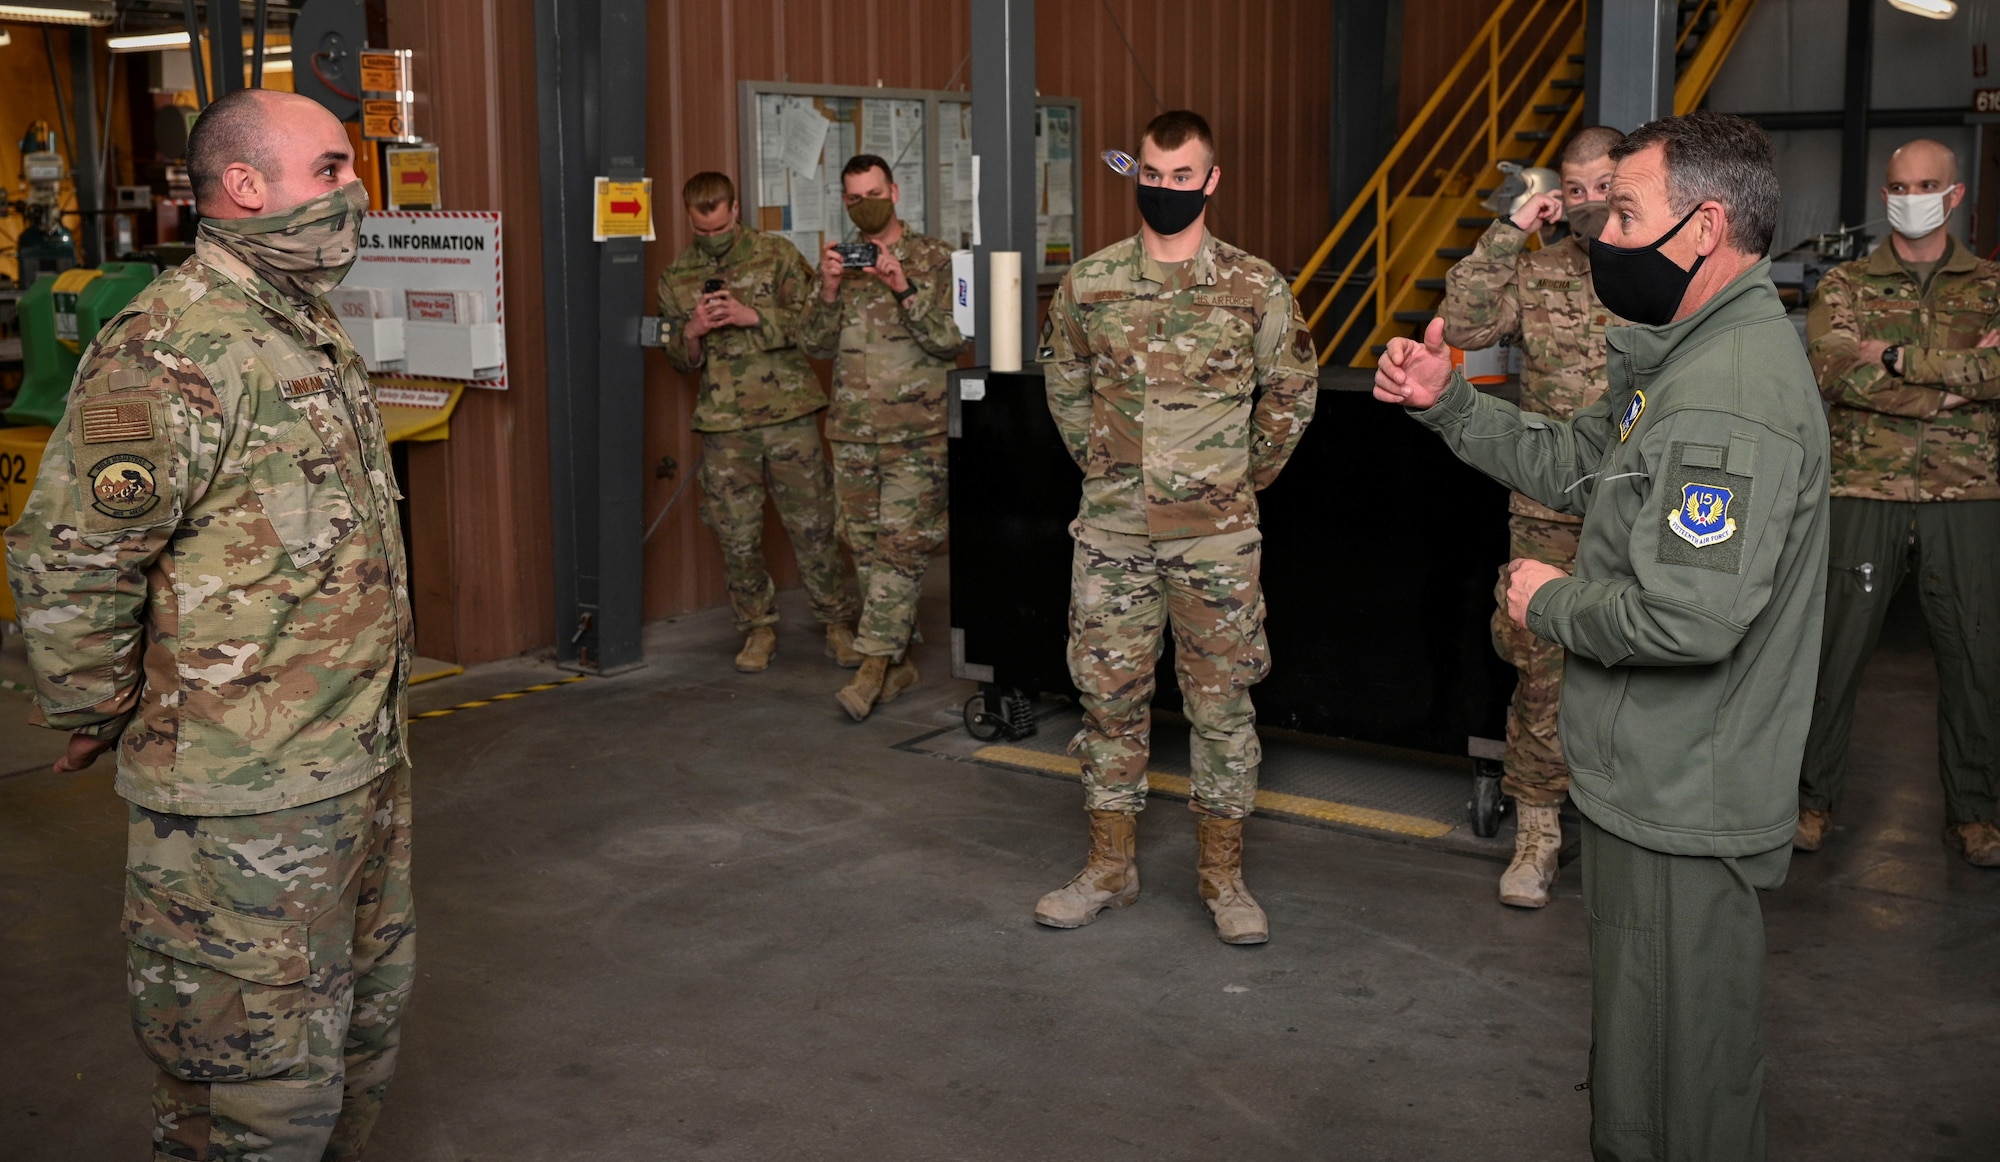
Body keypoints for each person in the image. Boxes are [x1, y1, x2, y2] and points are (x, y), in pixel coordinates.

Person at [1375, 111, 1826, 1158]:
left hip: (1683, 792)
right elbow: (1585, 463)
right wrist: (1450, 406)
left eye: (1623, 212)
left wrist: (1548, 601)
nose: (1600, 235)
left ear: (1703, 226)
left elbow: (1686, 614)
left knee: (1681, 1085)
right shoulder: (1683, 359)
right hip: (1651, 780)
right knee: (1646, 1063)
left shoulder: (1726, 398)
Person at [4, 89, 414, 1161]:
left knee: (353, 1034)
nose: (350, 189)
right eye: (329, 169)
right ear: (244, 187)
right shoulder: (171, 348)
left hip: (352, 768)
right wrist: (94, 702)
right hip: (240, 801)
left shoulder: (296, 323)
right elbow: (74, 554)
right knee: (251, 1086)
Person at [1034, 109, 1318, 945]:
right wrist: (1110, 472)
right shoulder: (1089, 283)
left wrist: (1236, 480)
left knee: (1223, 707)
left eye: (1180, 177)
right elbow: (1066, 389)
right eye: (1151, 177)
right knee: (1108, 702)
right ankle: (1108, 868)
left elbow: (1291, 395)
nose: (1164, 191)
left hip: (1217, 542)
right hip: (1114, 534)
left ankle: (1224, 880)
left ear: (1210, 181)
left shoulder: (1254, 287)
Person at [1795, 139, 2000, 866]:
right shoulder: (1846, 285)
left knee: (1976, 656)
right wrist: (1957, 386)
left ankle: (1976, 812)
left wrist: (1896, 359)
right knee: (1832, 654)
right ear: (1884, 196)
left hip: (1967, 492)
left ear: (1955, 194)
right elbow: (1832, 371)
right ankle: (1808, 802)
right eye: (1898, 185)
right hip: (1861, 487)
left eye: (1926, 184)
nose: (1910, 195)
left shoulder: (1991, 285)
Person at [1441, 124, 1628, 908]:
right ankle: (1538, 833)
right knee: (1542, 672)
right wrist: (1508, 229)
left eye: (1601, 189)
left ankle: (1631, 828)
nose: (1587, 205)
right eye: (1574, 191)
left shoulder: (1670, 274)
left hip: (1644, 507)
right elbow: (1462, 326)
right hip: (1550, 505)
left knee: (1641, 669)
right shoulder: (1542, 272)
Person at [658, 172, 861, 673]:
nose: (714, 237)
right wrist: (693, 332)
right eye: (704, 231)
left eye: (721, 226)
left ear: (735, 209)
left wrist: (754, 317)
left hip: (789, 416)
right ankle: (757, 629)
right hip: (725, 425)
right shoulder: (676, 275)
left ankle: (837, 623)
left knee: (814, 524)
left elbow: (817, 324)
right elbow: (680, 361)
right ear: (689, 217)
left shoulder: (777, 255)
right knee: (737, 535)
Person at [799, 153, 965, 720]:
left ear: (895, 193)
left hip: (916, 434)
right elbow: (814, 346)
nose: (862, 204)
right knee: (867, 549)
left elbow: (951, 341)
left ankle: (872, 666)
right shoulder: (837, 262)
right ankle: (900, 661)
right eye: (851, 198)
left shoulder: (935, 258)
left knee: (900, 549)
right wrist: (824, 289)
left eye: (872, 193)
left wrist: (904, 286)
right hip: (852, 432)